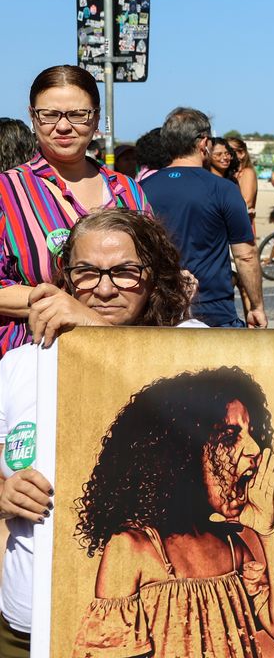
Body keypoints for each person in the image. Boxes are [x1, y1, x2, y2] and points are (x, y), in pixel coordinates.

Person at [0, 209, 201, 653]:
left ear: (156, 275)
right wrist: (3, 492)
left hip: (148, 637)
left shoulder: (193, 341)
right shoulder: (18, 364)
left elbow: (169, 407)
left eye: (125, 272)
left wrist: (94, 331)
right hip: (25, 625)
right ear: (66, 278)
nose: (105, 288)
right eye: (87, 273)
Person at [70, 366, 274, 655]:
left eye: (252, 434)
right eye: (231, 436)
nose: (254, 449)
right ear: (182, 450)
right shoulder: (132, 549)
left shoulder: (232, 546)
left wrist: (269, 532)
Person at [0, 66, 150, 356]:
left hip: (120, 354)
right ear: (33, 117)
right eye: (50, 115)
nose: (64, 126)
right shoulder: (7, 191)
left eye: (78, 115)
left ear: (95, 119)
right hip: (34, 356)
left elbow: (153, 267)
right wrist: (53, 301)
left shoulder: (128, 190)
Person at [140, 108, 264, 329]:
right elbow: (245, 256)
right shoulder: (223, 189)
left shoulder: (141, 189)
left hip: (159, 309)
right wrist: (256, 306)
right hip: (213, 309)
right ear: (203, 143)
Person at [227, 136, 258, 224]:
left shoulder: (248, 172)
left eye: (230, 150)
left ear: (242, 153)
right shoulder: (231, 173)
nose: (227, 154)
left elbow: (247, 202)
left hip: (242, 225)